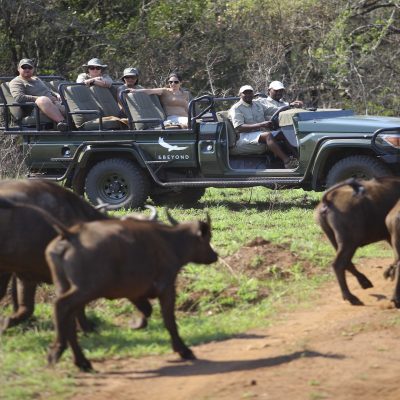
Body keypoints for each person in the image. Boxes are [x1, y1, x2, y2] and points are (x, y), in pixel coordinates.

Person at [229, 85, 298, 169]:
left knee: (282, 133)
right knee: (268, 135)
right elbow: (239, 127)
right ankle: (287, 162)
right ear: (240, 94)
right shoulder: (236, 108)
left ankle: (298, 158)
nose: (248, 95)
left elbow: (273, 109)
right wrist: (261, 124)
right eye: (245, 93)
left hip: (259, 132)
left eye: (250, 92)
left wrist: (290, 105)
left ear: (253, 94)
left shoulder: (257, 104)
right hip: (245, 135)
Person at [9, 58, 67, 131]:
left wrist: (57, 95)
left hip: (54, 103)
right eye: (24, 67)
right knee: (42, 100)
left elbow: (48, 90)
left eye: (30, 67)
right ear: (18, 69)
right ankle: (63, 123)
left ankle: (79, 122)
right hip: (35, 108)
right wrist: (43, 98)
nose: (27, 69)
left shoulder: (36, 79)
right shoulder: (16, 82)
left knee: (68, 98)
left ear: (33, 69)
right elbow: (19, 97)